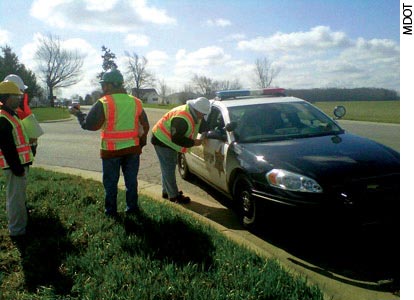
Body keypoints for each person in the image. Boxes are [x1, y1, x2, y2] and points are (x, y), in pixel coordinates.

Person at [69, 68, 149, 217]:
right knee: (131, 182)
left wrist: (78, 114)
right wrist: (140, 145)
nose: (102, 87)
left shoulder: (104, 103)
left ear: (110, 85)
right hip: (132, 150)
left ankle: (111, 212)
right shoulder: (136, 102)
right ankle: (132, 209)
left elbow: (90, 125)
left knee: (111, 183)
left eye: (103, 84)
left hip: (111, 152)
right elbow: (145, 125)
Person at [151, 97, 211, 203]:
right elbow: (176, 138)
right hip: (162, 141)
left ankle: (166, 191)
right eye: (202, 114)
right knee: (168, 168)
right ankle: (174, 196)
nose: (203, 116)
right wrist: (193, 142)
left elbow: (202, 125)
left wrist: (207, 132)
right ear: (197, 110)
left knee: (167, 168)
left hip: (167, 141)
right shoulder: (182, 117)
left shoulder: (194, 113)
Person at [0, 81, 34, 236]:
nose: (20, 98)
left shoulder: (10, 114)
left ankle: (20, 227)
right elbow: (7, 147)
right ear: (8, 97)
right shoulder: (3, 117)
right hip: (14, 167)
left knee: (17, 199)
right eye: (17, 96)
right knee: (16, 200)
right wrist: (17, 168)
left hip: (19, 165)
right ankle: (17, 231)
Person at [3, 74, 43, 156]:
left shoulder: (19, 108)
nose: (21, 95)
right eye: (21, 91)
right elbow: (33, 136)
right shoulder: (19, 109)